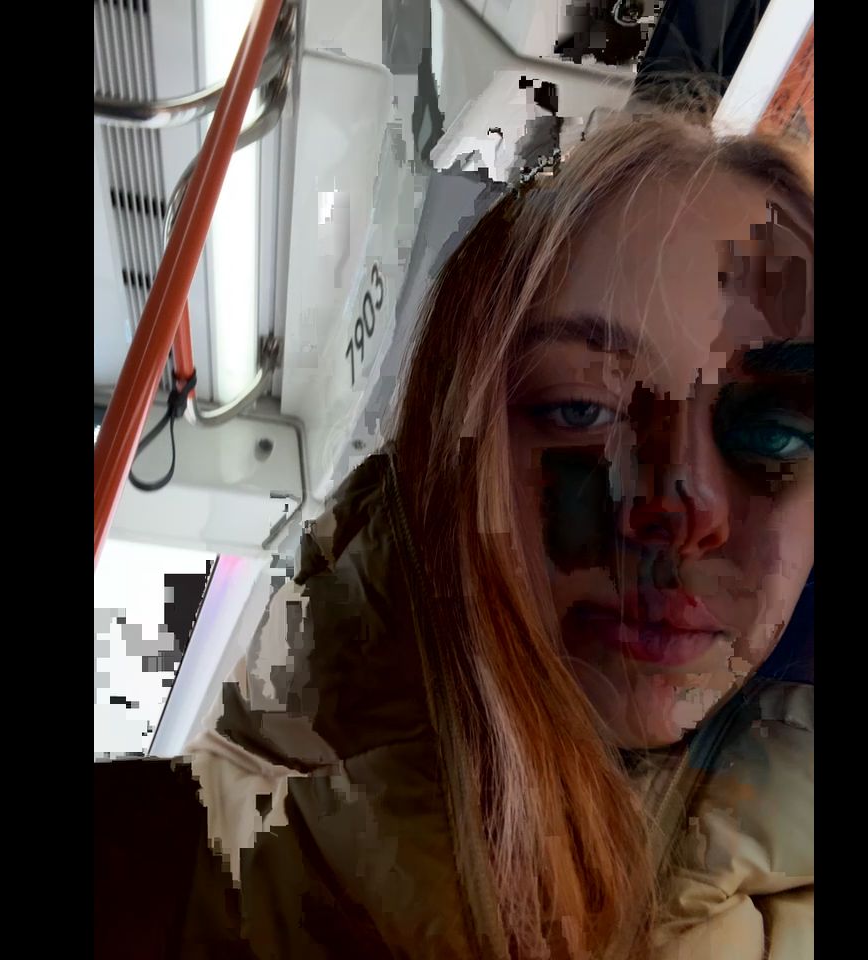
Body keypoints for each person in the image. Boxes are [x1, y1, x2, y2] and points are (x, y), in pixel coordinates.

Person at [95, 108, 814, 960]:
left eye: (778, 432)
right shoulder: (161, 886)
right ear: (451, 453)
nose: (686, 513)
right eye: (581, 409)